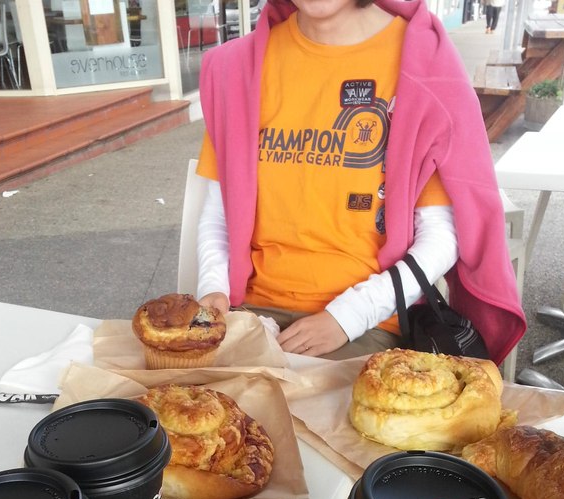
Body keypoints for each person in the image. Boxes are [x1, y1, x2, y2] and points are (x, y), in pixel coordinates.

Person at [195, 0, 526, 364]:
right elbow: (218, 212)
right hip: (250, 310)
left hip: (369, 320)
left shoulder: (424, 66)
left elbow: (441, 236)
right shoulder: (238, 69)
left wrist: (349, 316)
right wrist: (213, 287)